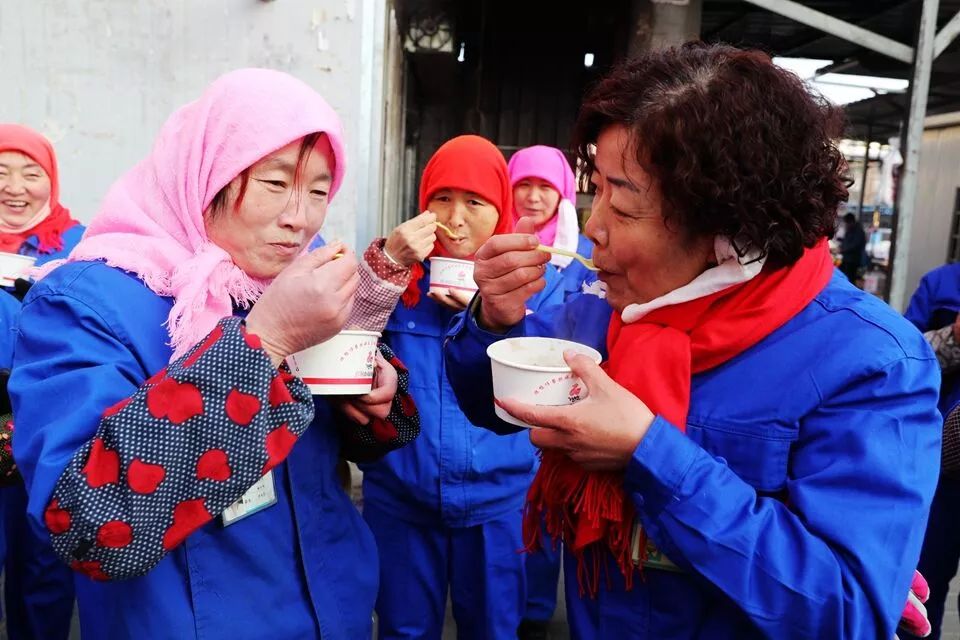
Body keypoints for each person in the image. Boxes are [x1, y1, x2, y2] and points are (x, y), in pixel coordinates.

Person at [444, 43, 941, 639]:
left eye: (622, 204)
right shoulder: (599, 299)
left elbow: (848, 611)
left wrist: (648, 454)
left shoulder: (872, 363)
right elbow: (501, 408)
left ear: (728, 224)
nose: (593, 225)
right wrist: (495, 322)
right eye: (594, 187)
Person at [9, 69, 419, 640]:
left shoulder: (293, 270)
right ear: (205, 173)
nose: (300, 219)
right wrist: (265, 342)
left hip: (335, 611)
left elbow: (338, 432)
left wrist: (373, 396)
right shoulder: (86, 301)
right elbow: (84, 520)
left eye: (319, 191)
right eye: (275, 183)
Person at [359, 135, 564, 640]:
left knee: (494, 628)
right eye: (441, 199)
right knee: (404, 630)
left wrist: (495, 316)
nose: (456, 217)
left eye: (475, 202)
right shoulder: (394, 280)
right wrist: (385, 265)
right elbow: (341, 342)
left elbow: (551, 379)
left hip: (499, 503)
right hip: (401, 500)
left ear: (501, 212)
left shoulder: (538, 283)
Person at [0, 124, 84, 639]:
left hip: (49, 423)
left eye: (31, 173)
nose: (15, 186)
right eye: (1, 173)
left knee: (45, 562)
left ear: (51, 180)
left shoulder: (79, 244)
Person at [507, 144, 593, 640]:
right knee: (508, 519)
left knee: (546, 513)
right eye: (525, 185)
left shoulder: (582, 262)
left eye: (547, 188)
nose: (535, 197)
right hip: (508, 414)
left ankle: (537, 613)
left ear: (563, 195)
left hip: (561, 412)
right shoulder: (493, 254)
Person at [901, 263, 960, 640]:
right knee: (926, 581)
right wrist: (953, 338)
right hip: (943, 465)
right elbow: (905, 358)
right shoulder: (941, 284)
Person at [839, 212, 867, 283]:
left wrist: (843, 249)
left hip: (853, 260)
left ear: (851, 221)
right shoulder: (851, 230)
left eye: (847, 223)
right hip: (847, 259)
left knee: (850, 279)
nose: (846, 225)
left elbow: (855, 245)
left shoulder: (858, 231)